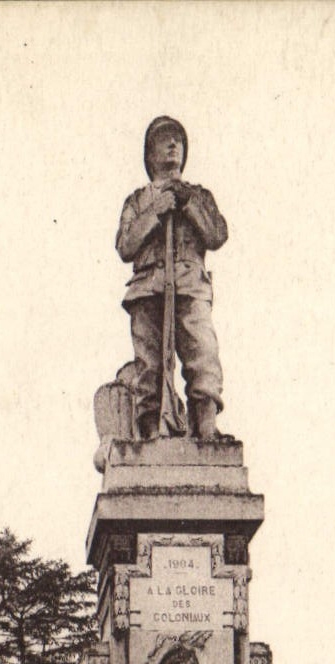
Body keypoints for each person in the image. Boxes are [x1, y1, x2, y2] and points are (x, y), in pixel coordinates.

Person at [116, 116, 228, 441]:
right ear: (150, 156)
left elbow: (217, 234)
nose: (172, 145)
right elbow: (125, 245)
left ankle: (206, 426)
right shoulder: (137, 201)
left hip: (190, 286)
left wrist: (188, 203)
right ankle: (151, 429)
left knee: (203, 353)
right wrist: (155, 211)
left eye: (177, 140)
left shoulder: (198, 195)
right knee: (149, 363)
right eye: (164, 140)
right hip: (148, 290)